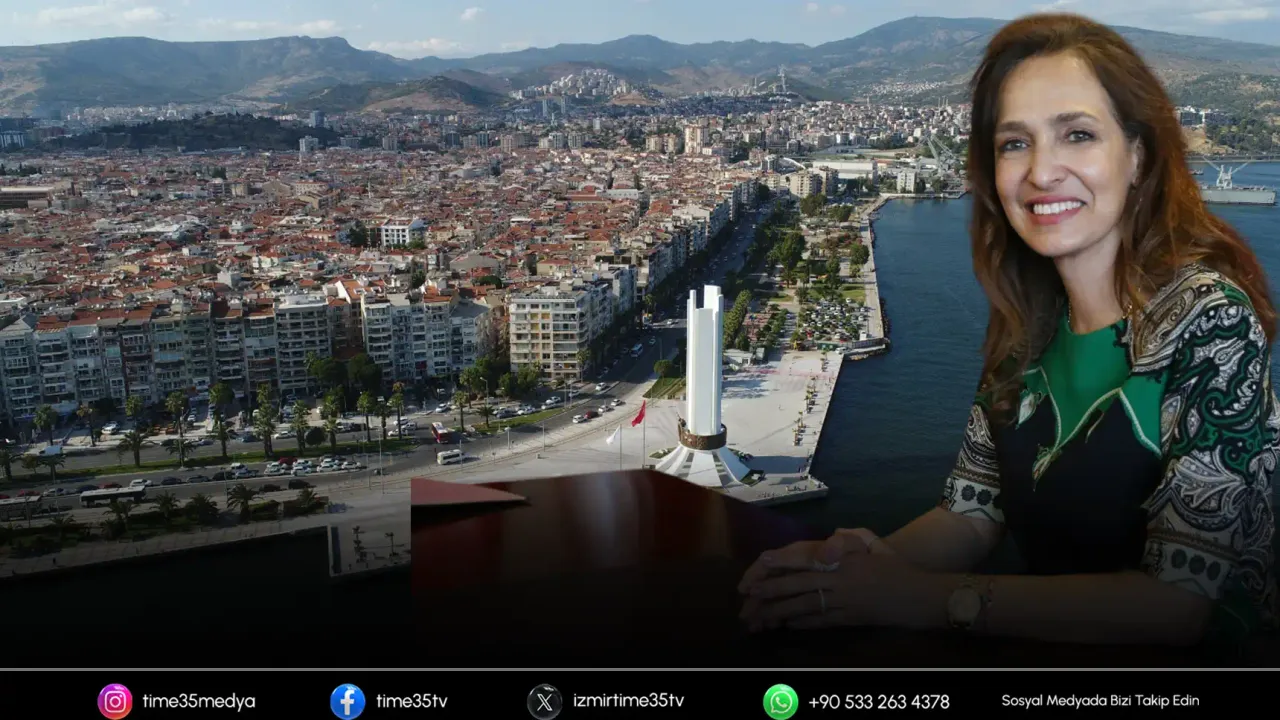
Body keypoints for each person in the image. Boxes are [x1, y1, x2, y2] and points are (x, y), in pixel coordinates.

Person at [739, 13, 1278, 650]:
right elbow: (971, 513)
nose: (1042, 172)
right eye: (1014, 143)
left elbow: (1177, 606)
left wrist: (928, 599)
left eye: (1078, 135)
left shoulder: (1210, 320)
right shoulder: (1028, 323)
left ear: (1138, 155)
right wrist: (849, 566)